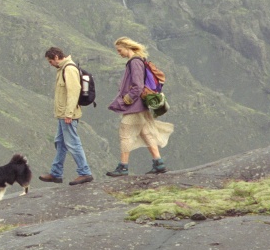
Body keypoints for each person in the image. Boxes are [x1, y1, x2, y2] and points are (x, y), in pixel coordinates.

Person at [107, 37, 174, 176]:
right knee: (146, 132)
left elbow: (137, 85)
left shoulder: (135, 62)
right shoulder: (138, 61)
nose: (119, 53)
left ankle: (123, 167)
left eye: (119, 50)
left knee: (125, 134)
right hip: (140, 105)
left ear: (127, 47)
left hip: (134, 106)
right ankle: (159, 164)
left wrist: (127, 99)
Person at [39, 47, 94, 186]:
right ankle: (56, 173)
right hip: (63, 114)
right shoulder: (62, 69)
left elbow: (74, 92)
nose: (50, 64)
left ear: (56, 57)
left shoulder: (69, 69)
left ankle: (85, 172)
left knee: (73, 143)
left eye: (50, 61)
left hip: (68, 115)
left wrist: (69, 113)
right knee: (60, 142)